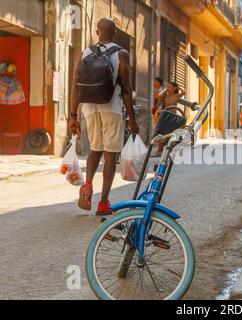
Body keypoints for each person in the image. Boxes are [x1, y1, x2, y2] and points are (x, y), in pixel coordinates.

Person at [69, 18, 139, 216]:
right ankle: (103, 203)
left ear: (97, 32)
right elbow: (126, 88)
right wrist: (132, 119)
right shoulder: (121, 54)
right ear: (115, 34)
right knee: (110, 155)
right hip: (112, 107)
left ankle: (88, 184)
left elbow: (75, 85)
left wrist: (73, 116)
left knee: (95, 149)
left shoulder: (86, 53)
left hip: (89, 109)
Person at [154, 81, 186, 156]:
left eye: (170, 87)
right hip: (165, 116)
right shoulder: (165, 96)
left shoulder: (176, 95)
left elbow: (183, 92)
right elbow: (159, 99)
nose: (168, 88)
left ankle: (170, 150)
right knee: (161, 133)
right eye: (167, 86)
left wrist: (178, 88)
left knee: (171, 134)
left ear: (174, 88)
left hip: (172, 117)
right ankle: (160, 150)